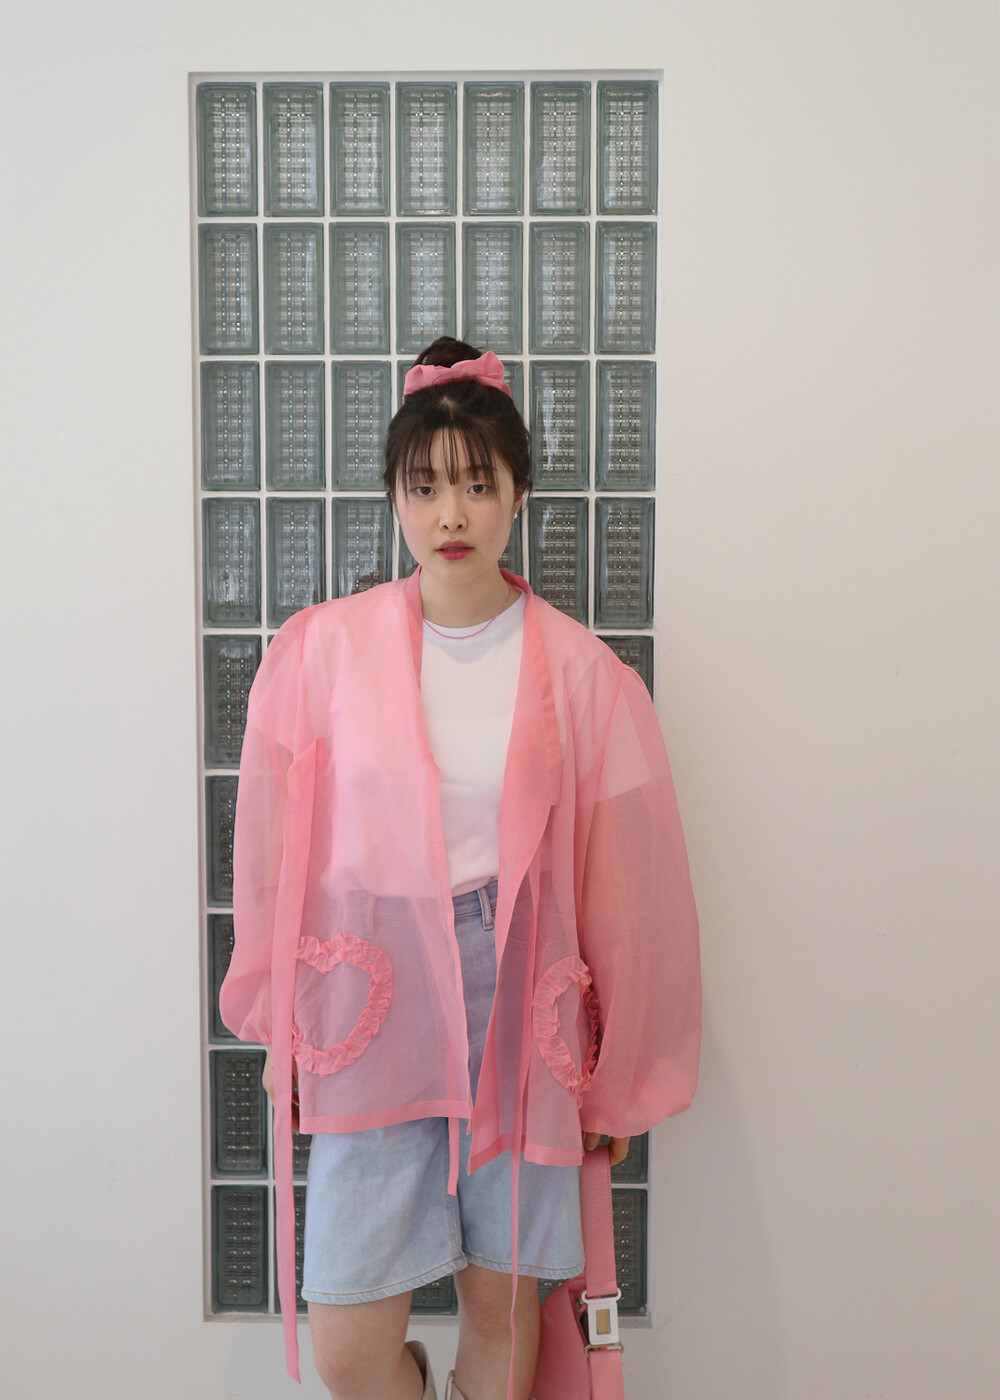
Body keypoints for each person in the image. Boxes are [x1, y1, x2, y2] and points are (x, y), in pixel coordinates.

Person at [220, 337, 701, 1400]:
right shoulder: (322, 653)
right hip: (369, 988)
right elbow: (272, 850)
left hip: (519, 989)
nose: (452, 515)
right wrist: (279, 1019)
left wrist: (616, 1071)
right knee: (349, 1340)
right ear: (395, 496)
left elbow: (627, 888)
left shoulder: (583, 675)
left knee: (504, 1308)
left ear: (517, 494)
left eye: (478, 486)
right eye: (426, 486)